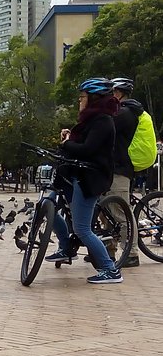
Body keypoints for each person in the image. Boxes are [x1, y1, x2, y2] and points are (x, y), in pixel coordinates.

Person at [44, 78, 122, 284]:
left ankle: (110, 269)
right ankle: (65, 248)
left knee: (82, 229)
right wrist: (69, 136)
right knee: (46, 204)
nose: (80, 101)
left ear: (94, 98)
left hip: (90, 178)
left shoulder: (103, 121)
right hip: (73, 174)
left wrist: (68, 143)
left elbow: (87, 149)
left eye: (83, 97)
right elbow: (80, 142)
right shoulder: (89, 120)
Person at [102, 77, 146, 268]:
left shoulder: (125, 113)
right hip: (110, 168)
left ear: (118, 93)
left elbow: (103, 128)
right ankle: (108, 251)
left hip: (120, 169)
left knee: (122, 213)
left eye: (110, 93)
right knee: (106, 211)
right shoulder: (119, 111)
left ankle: (132, 253)